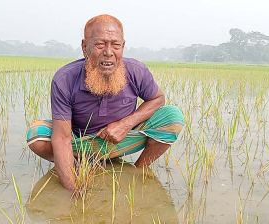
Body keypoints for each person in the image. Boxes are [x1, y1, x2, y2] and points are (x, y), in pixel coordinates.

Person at [27, 14, 184, 190]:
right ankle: (77, 165)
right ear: (84, 46)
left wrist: (126, 124)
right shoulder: (64, 79)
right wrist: (74, 189)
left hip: (123, 139)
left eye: (115, 45)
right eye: (100, 44)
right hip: (81, 142)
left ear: (123, 46)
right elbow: (62, 137)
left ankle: (137, 171)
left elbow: (158, 99)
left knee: (173, 117)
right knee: (36, 135)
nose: (108, 52)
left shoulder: (136, 71)